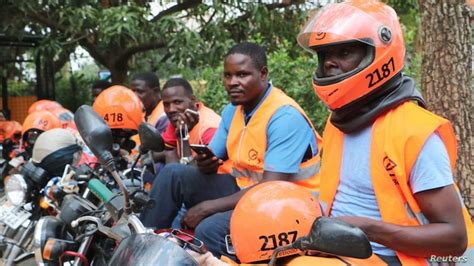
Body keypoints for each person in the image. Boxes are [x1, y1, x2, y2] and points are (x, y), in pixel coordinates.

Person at [297, 1, 473, 265]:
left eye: (344, 52)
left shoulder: (412, 130)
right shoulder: (338, 122)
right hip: (333, 248)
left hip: (390, 257)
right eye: (324, 56)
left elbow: (454, 237)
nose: (330, 63)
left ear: (380, 54)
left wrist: (366, 229)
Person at [140, 42, 321, 259]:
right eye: (227, 76)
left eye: (242, 75)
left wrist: (207, 207)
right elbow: (212, 157)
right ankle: (141, 244)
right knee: (173, 174)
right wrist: (204, 163)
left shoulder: (284, 117)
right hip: (245, 190)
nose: (232, 82)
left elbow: (270, 190)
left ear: (263, 74)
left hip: (288, 205)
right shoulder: (232, 111)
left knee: (209, 229)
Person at [159, 77, 222, 164]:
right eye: (166, 104)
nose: (171, 109)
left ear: (192, 100)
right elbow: (166, 148)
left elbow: (190, 173)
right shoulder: (179, 119)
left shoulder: (210, 127)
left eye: (177, 102)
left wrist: (182, 137)